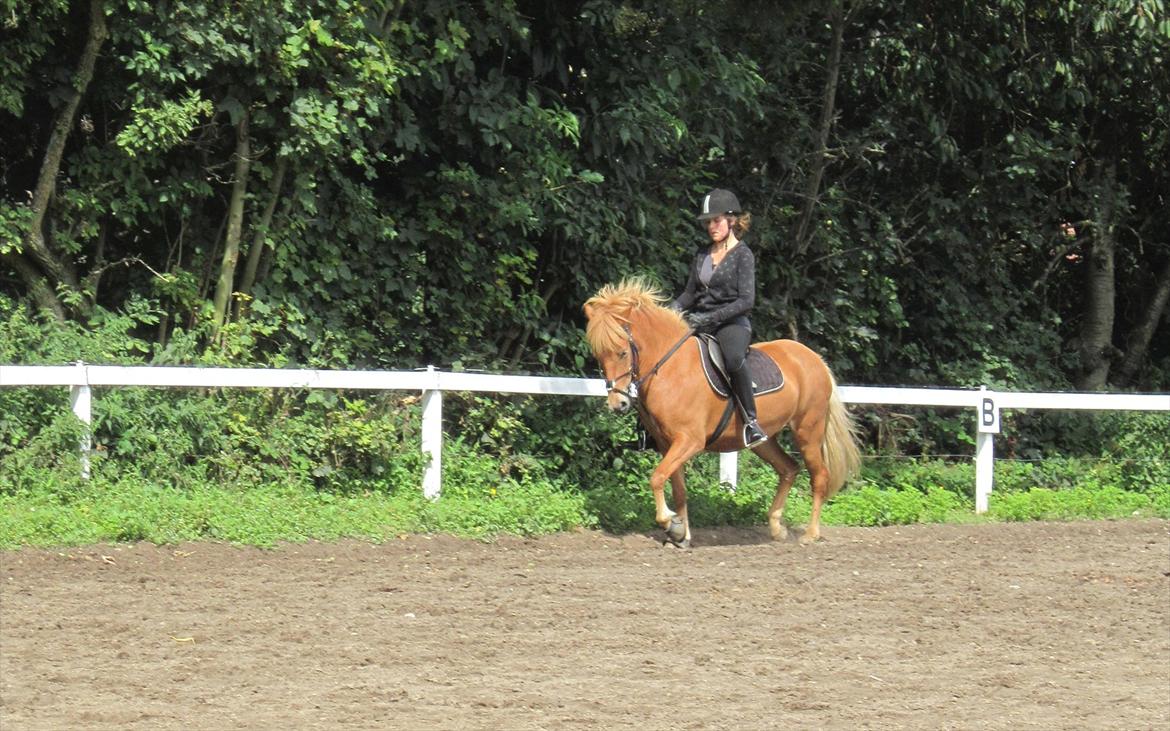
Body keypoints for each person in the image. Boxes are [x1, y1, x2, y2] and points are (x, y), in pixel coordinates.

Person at [671, 188, 768, 448]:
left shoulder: (743, 255)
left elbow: (746, 301)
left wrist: (710, 318)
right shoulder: (702, 254)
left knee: (734, 358)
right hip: (699, 321)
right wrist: (671, 310)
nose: (711, 226)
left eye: (716, 221)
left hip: (731, 324)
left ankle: (751, 421)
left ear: (732, 220)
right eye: (708, 222)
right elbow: (690, 293)